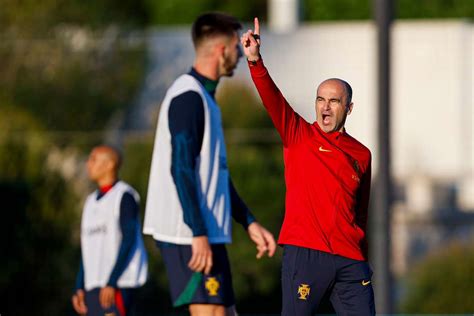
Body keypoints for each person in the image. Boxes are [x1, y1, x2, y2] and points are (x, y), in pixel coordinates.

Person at [143, 12, 276, 316]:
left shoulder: (205, 98)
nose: (240, 54)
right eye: (235, 46)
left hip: (203, 230)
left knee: (226, 313)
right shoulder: (187, 97)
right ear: (221, 50)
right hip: (187, 232)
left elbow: (214, 176)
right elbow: (181, 167)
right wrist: (197, 231)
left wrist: (248, 221)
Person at [241, 18, 375, 315]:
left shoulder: (362, 154)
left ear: (348, 108)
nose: (325, 107)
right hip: (306, 254)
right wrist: (255, 61)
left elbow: (361, 212)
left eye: (334, 101)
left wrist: (362, 257)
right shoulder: (298, 134)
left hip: (350, 259)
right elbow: (272, 100)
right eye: (320, 100)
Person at [72, 145, 148, 316]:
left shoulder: (124, 196)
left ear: (110, 164)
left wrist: (112, 281)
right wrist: (80, 285)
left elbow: (129, 240)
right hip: (94, 285)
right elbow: (88, 248)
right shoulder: (90, 201)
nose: (88, 164)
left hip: (117, 284)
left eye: (93, 159)